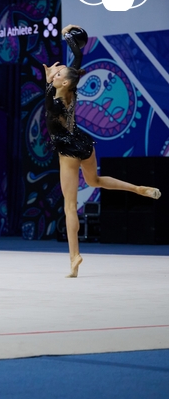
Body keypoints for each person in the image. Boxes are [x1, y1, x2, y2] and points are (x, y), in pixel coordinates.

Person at [43, 24, 160, 278]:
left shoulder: (53, 100)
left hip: (68, 150)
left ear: (61, 81)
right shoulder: (70, 91)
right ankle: (137, 188)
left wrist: (47, 80)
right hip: (84, 144)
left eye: (59, 71)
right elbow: (76, 58)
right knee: (94, 180)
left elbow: (53, 100)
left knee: (70, 206)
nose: (57, 68)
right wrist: (68, 35)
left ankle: (74, 258)